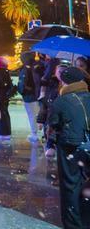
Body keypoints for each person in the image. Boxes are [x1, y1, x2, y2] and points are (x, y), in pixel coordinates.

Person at [47, 66, 90, 228]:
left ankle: (73, 224)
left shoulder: (61, 100)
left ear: (64, 82)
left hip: (71, 147)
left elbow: (53, 124)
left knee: (70, 187)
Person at [18, 52, 43, 142]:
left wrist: (22, 91)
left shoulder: (26, 69)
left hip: (29, 96)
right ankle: (42, 133)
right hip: (38, 95)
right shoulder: (37, 66)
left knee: (32, 115)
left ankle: (34, 134)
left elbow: (22, 85)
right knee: (39, 114)